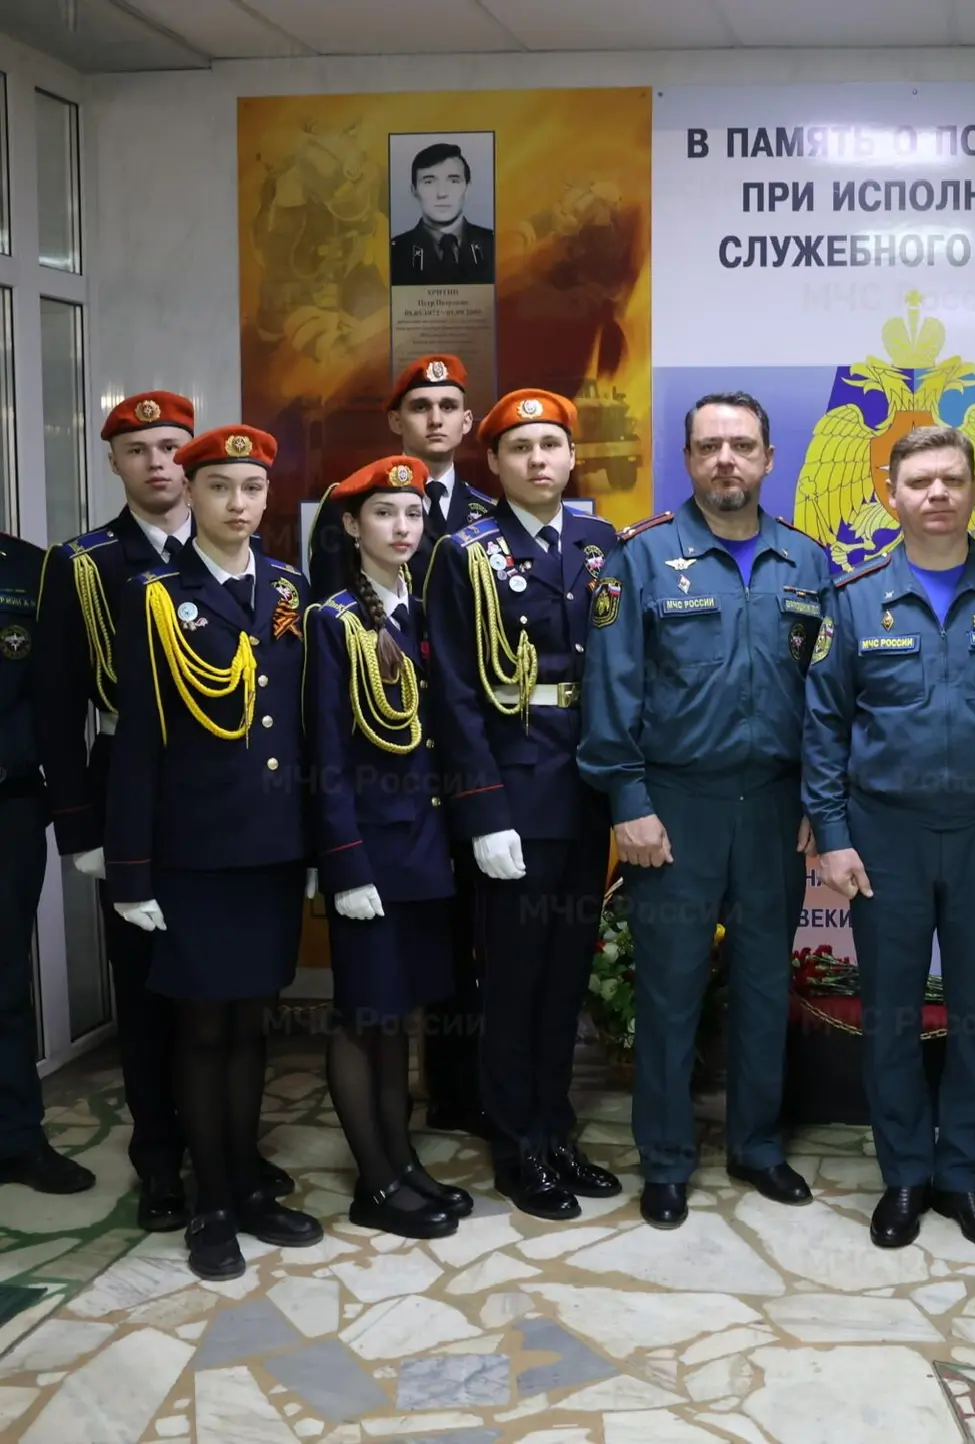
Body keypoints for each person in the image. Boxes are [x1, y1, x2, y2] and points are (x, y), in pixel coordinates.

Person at [804, 424, 975, 1251]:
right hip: (883, 836)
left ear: (973, 489)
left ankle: (962, 1175)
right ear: (890, 494)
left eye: (952, 480)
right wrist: (833, 834)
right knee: (890, 1013)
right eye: (919, 481)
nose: (936, 494)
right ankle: (904, 1176)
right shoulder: (854, 598)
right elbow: (823, 727)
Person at [34, 392, 294, 1230]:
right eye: (138, 448)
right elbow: (59, 708)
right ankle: (161, 1159)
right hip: (137, 793)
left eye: (170, 447)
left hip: (243, 807)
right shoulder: (88, 564)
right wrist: (83, 827)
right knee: (151, 996)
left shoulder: (263, 568)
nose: (157, 463)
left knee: (232, 1002)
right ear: (115, 461)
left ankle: (231, 1152)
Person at [581, 392, 829, 1230]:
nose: (727, 459)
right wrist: (628, 800)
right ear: (687, 459)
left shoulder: (807, 562)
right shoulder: (642, 557)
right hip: (675, 806)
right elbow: (610, 688)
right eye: (710, 446)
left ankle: (756, 1146)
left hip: (774, 807)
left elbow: (830, 699)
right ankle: (666, 1159)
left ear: (768, 459)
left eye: (743, 446)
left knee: (764, 985)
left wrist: (818, 801)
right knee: (670, 991)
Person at [104, 424, 322, 1281]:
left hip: (269, 848)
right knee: (200, 1031)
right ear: (190, 493)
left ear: (268, 497)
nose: (238, 504)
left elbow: (301, 727)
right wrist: (131, 871)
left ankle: (247, 1184)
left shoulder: (289, 587)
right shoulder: (157, 595)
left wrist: (315, 844)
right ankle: (212, 1205)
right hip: (192, 852)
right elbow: (136, 744)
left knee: (250, 1023)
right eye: (221, 488)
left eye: (252, 489)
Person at [425, 388, 621, 1220]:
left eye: (550, 445)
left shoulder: (601, 542)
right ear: (495, 462)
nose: (538, 460)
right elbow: (453, 692)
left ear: (572, 456)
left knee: (566, 973)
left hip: (587, 784)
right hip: (513, 787)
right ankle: (516, 1147)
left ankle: (555, 1127)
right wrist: (482, 810)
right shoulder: (464, 552)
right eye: (520, 448)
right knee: (512, 979)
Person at [305, 456, 474, 1240]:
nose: (402, 527)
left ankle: (402, 1163)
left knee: (399, 1015)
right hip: (371, 852)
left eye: (412, 513)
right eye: (383, 513)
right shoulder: (334, 620)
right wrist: (344, 861)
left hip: (424, 849)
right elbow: (326, 754)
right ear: (351, 525)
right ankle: (373, 1181)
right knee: (361, 1016)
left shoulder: (424, 612)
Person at [0, 529, 96, 1199]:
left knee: (7, 977)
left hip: (8, 800)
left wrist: (68, 812)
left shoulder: (28, 570)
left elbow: (54, 698)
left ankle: (16, 1138)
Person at [308, 354, 491, 601]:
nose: (436, 420)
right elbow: (331, 605)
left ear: (466, 421)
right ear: (396, 421)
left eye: (448, 407)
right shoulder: (349, 504)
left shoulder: (487, 512)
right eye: (420, 407)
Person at [390, 143, 495, 286]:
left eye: (454, 181)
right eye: (429, 182)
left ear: (467, 188)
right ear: (414, 191)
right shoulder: (394, 253)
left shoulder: (494, 244)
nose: (442, 193)